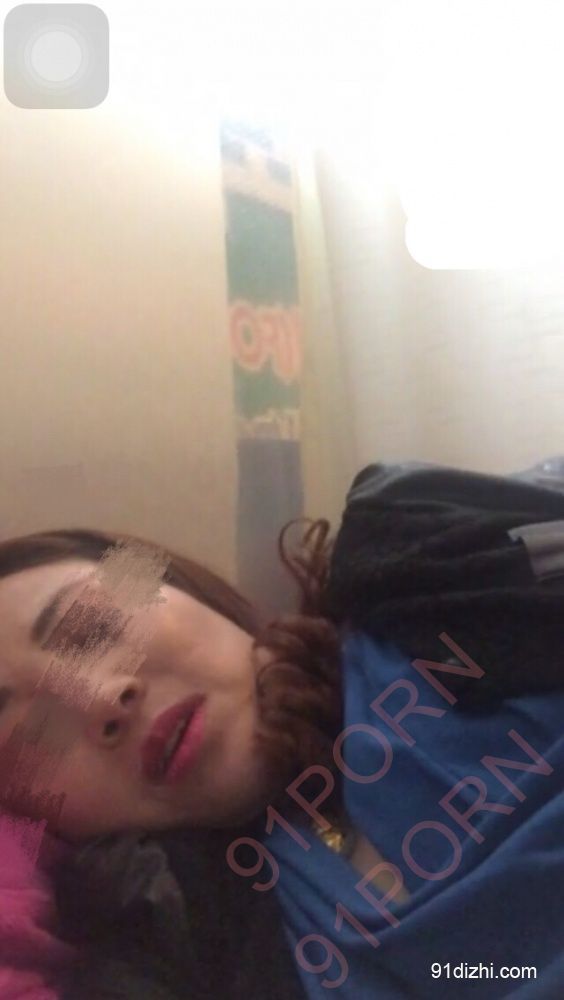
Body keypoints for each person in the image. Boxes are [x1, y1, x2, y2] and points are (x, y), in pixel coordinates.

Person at [0, 457, 563, 998]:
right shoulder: (181, 933)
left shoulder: (426, 566)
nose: (104, 699)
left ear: (172, 579)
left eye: (92, 627)